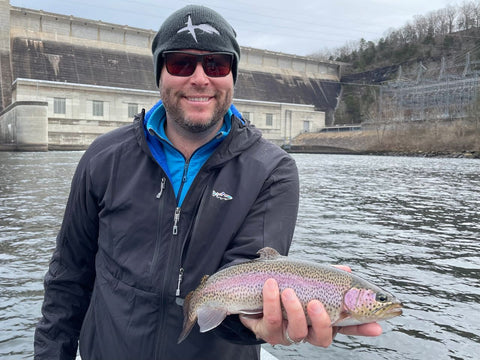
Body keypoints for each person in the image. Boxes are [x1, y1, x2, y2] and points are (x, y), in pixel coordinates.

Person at [34, 5, 381, 360]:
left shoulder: (273, 171)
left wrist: (253, 324)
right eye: (182, 63)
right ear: (159, 73)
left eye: (216, 64)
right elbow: (68, 280)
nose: (200, 79)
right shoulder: (103, 157)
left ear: (232, 75)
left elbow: (247, 274)